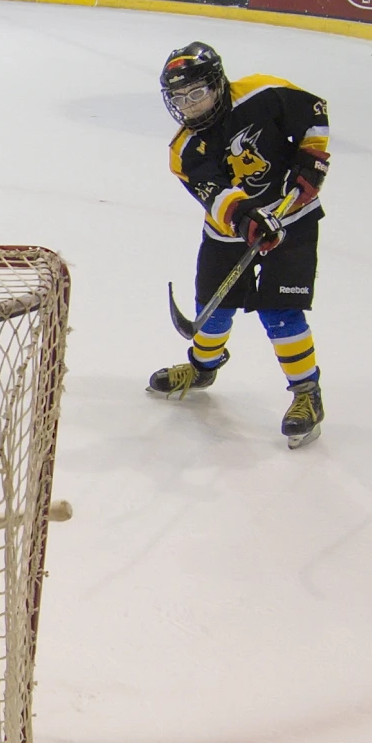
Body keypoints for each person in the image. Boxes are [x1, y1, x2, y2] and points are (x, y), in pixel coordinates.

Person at [150, 41, 328, 448]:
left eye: (197, 93)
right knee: (212, 309)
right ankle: (202, 367)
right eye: (180, 99)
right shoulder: (184, 150)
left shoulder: (263, 94)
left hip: (292, 220)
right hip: (229, 231)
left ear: (218, 84)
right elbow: (216, 195)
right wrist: (246, 217)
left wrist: (311, 160)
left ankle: (307, 395)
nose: (190, 106)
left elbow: (313, 113)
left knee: (280, 313)